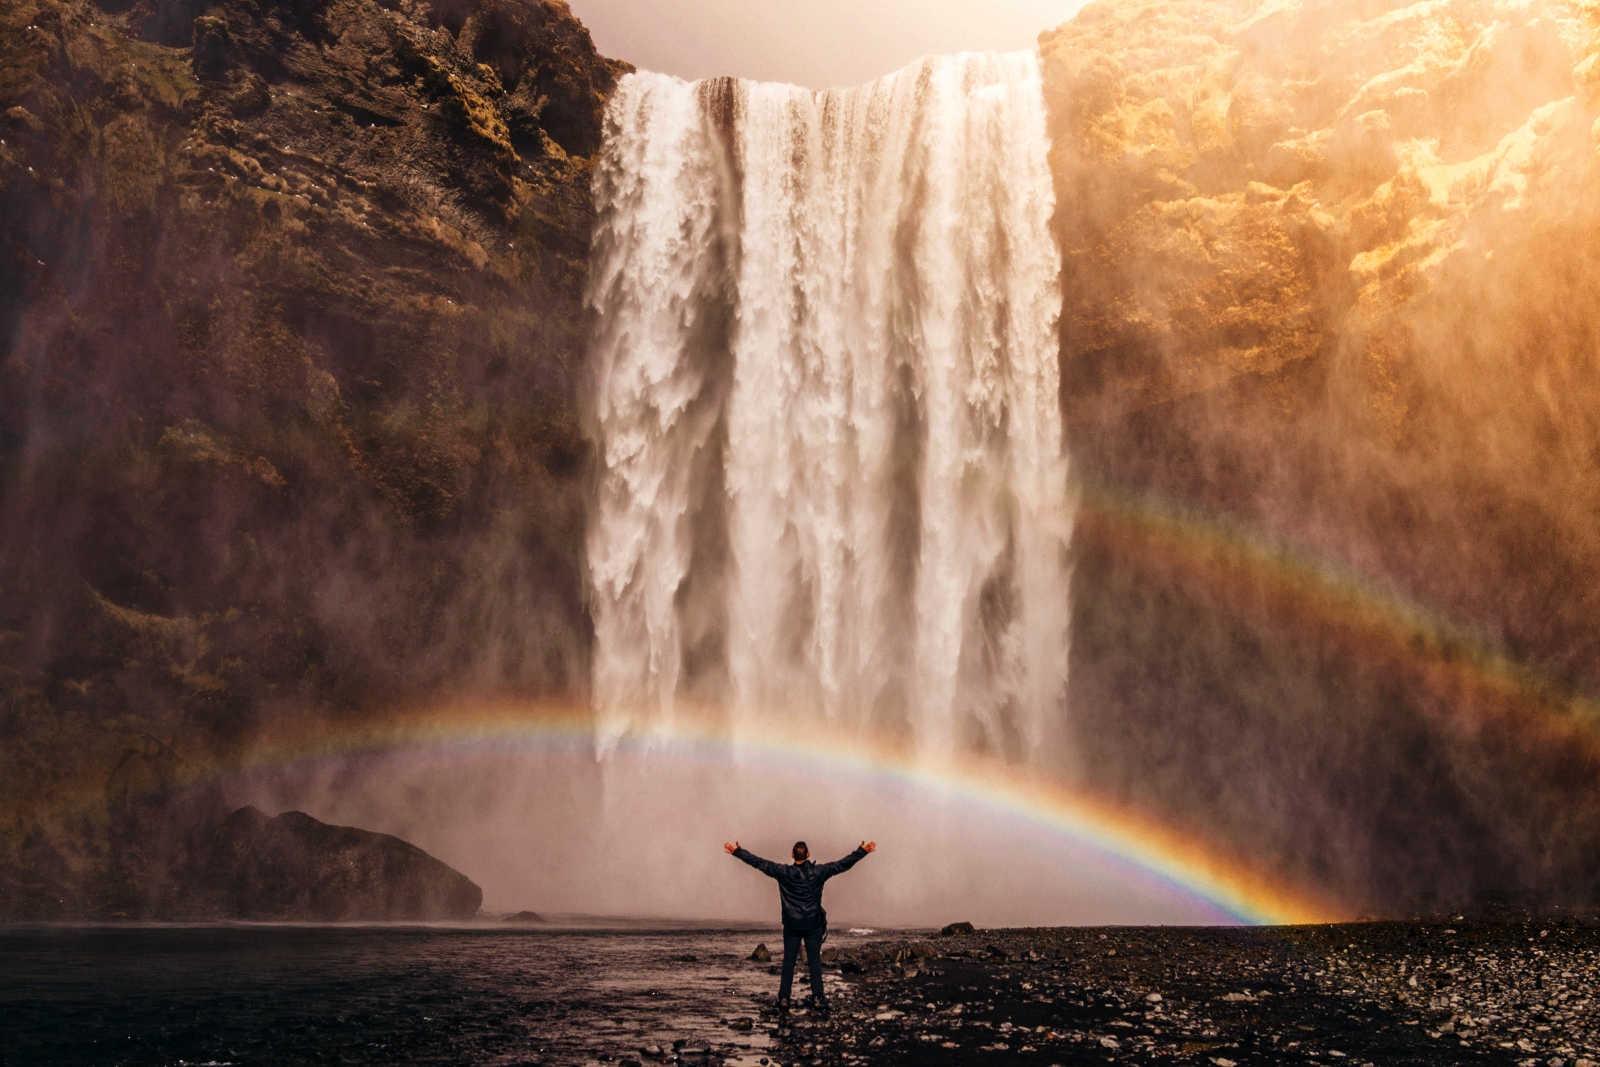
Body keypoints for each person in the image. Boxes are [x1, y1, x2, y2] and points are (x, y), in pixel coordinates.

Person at [723, 837, 876, 1013]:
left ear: (792, 855)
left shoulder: (783, 872)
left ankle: (784, 999)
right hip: (812, 924)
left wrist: (737, 851)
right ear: (809, 855)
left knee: (788, 963)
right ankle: (818, 999)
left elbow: (759, 863)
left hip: (791, 924)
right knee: (814, 963)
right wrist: (862, 851)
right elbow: (842, 864)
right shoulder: (819, 872)